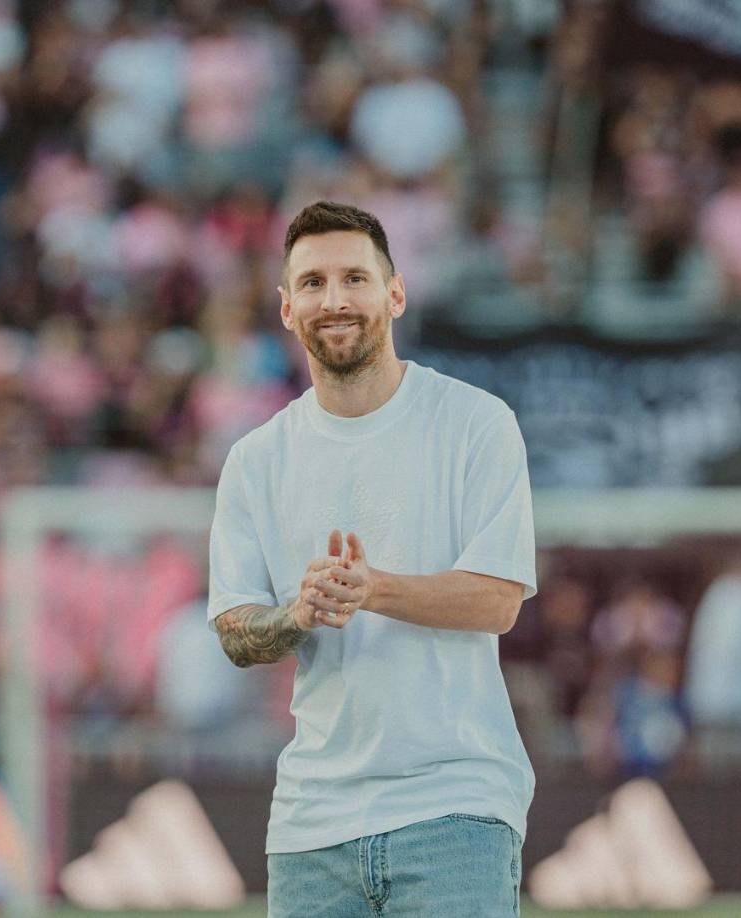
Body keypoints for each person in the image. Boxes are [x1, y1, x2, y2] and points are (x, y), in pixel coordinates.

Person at [208, 201, 537, 917]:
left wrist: (372, 589)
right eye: (313, 283)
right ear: (287, 308)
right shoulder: (256, 460)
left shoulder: (475, 424)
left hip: (456, 809)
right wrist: (297, 615)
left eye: (354, 278)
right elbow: (234, 630)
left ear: (395, 293)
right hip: (312, 828)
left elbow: (499, 601)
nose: (335, 299)